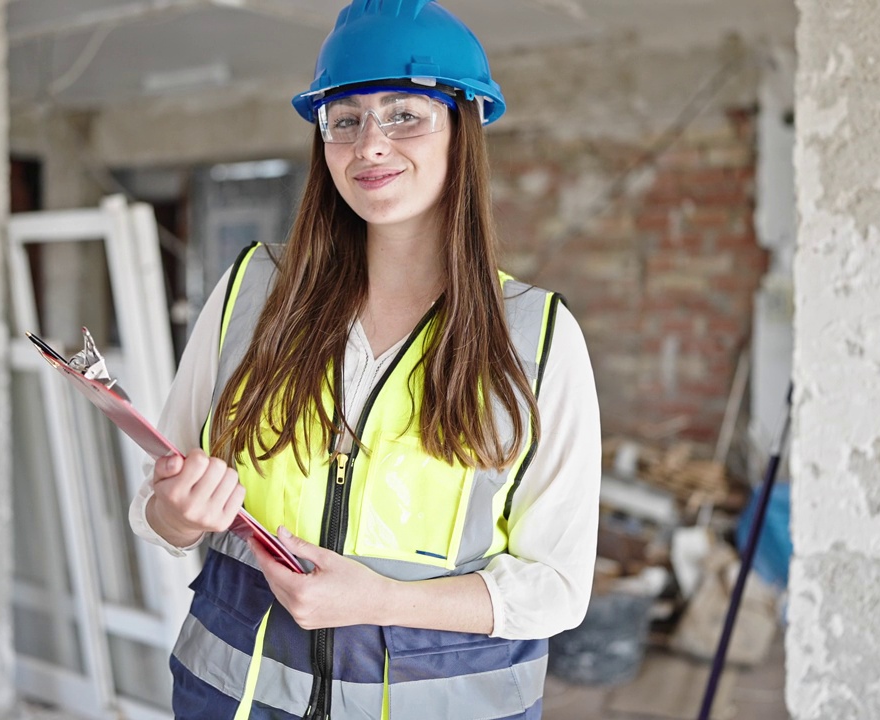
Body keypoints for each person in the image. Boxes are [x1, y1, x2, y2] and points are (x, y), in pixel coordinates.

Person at [130, 1, 601, 717]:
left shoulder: (535, 337)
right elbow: (159, 511)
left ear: (462, 129)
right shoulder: (251, 295)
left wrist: (379, 600)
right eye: (345, 120)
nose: (370, 145)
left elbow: (558, 589)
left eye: (404, 114)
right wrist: (178, 513)